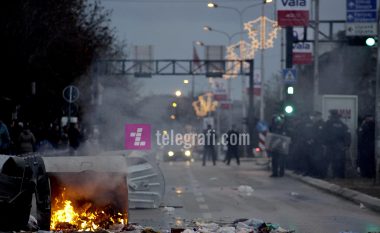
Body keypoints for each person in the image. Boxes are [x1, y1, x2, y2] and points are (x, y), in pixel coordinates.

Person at [323, 109, 350, 178]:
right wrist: (347, 145)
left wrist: (325, 143)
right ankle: (340, 175)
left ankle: (329, 175)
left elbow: (324, 134)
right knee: (339, 161)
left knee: (329, 160)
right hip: (340, 145)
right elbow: (347, 134)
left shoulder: (328, 123)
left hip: (330, 145)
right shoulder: (342, 124)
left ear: (331, 115)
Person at [310, 111, 327, 178]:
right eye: (314, 116)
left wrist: (313, 139)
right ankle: (315, 173)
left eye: (315, 116)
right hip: (315, 144)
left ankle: (321, 174)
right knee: (315, 159)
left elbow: (320, 135)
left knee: (319, 159)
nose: (314, 118)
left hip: (320, 144)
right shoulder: (315, 123)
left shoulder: (322, 124)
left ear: (319, 116)